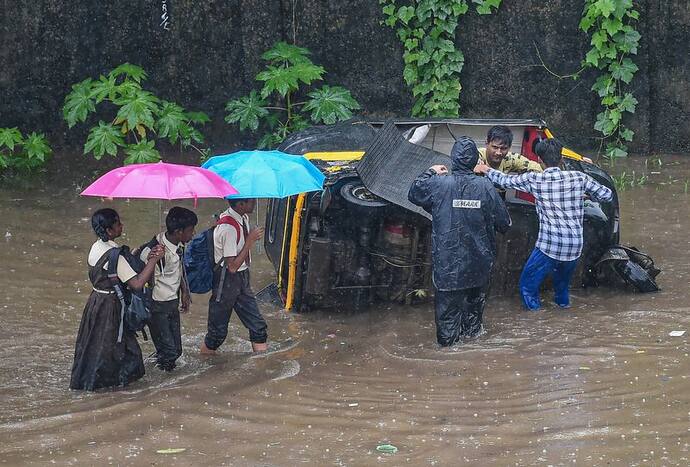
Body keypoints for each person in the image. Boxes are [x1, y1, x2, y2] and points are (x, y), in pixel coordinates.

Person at [475, 139, 613, 310]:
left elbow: (504, 181)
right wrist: (587, 196)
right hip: (574, 248)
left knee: (527, 287)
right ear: (561, 159)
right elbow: (607, 195)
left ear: (540, 160)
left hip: (550, 247)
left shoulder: (536, 179)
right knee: (562, 288)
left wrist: (485, 169)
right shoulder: (579, 178)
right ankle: (563, 310)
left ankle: (536, 319)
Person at [408, 137, 511, 347]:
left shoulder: (438, 184)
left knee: (447, 320)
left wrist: (430, 171)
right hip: (478, 264)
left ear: (453, 160)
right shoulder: (486, 187)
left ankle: (448, 360)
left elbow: (414, 194)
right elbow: (504, 223)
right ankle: (472, 356)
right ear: (475, 160)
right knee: (474, 324)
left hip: (448, 266)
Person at [70, 208, 165, 391]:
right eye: (118, 224)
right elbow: (137, 284)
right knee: (116, 347)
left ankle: (91, 380)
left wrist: (134, 254)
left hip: (96, 301)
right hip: (111, 307)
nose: (122, 226)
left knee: (95, 343)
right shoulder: (114, 255)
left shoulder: (97, 247)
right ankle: (113, 386)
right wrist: (154, 261)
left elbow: (112, 273)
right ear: (109, 231)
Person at [200, 198, 268, 355]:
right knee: (216, 335)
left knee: (258, 327)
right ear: (241, 204)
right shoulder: (228, 228)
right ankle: (203, 364)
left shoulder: (243, 218)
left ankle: (263, 369)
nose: (255, 203)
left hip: (242, 278)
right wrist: (250, 241)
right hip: (226, 281)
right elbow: (232, 267)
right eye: (251, 201)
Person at [139, 207, 198, 371]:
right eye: (191, 231)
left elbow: (178, 269)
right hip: (157, 307)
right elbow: (143, 282)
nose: (193, 234)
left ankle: (161, 367)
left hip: (172, 302)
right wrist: (153, 259)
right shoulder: (153, 251)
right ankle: (163, 386)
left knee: (176, 350)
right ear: (179, 232)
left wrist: (185, 291)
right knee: (169, 352)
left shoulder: (179, 245)